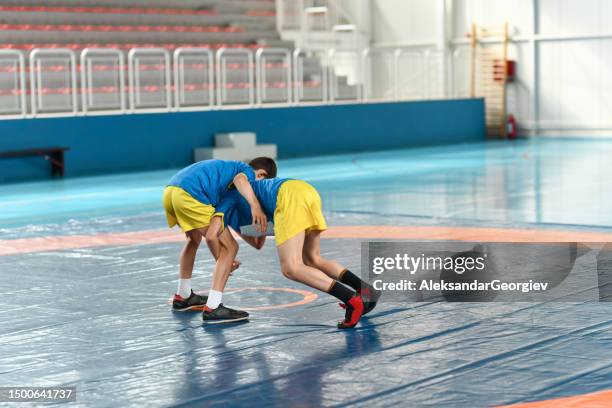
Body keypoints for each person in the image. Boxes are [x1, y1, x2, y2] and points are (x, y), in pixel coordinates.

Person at [215, 176, 381, 329]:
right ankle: (365, 289)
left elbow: (238, 179)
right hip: (307, 192)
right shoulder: (258, 191)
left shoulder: (231, 194)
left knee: (291, 268)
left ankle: (351, 299)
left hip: (289, 198)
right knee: (312, 258)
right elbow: (258, 241)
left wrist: (252, 208)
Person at [162, 158, 276, 320]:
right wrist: (255, 205)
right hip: (191, 193)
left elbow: (248, 240)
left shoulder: (227, 177)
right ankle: (213, 307)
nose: (255, 189)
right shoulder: (247, 172)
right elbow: (240, 180)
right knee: (230, 248)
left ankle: (183, 296)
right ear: (261, 174)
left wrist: (220, 258)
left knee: (193, 239)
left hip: (171, 190)